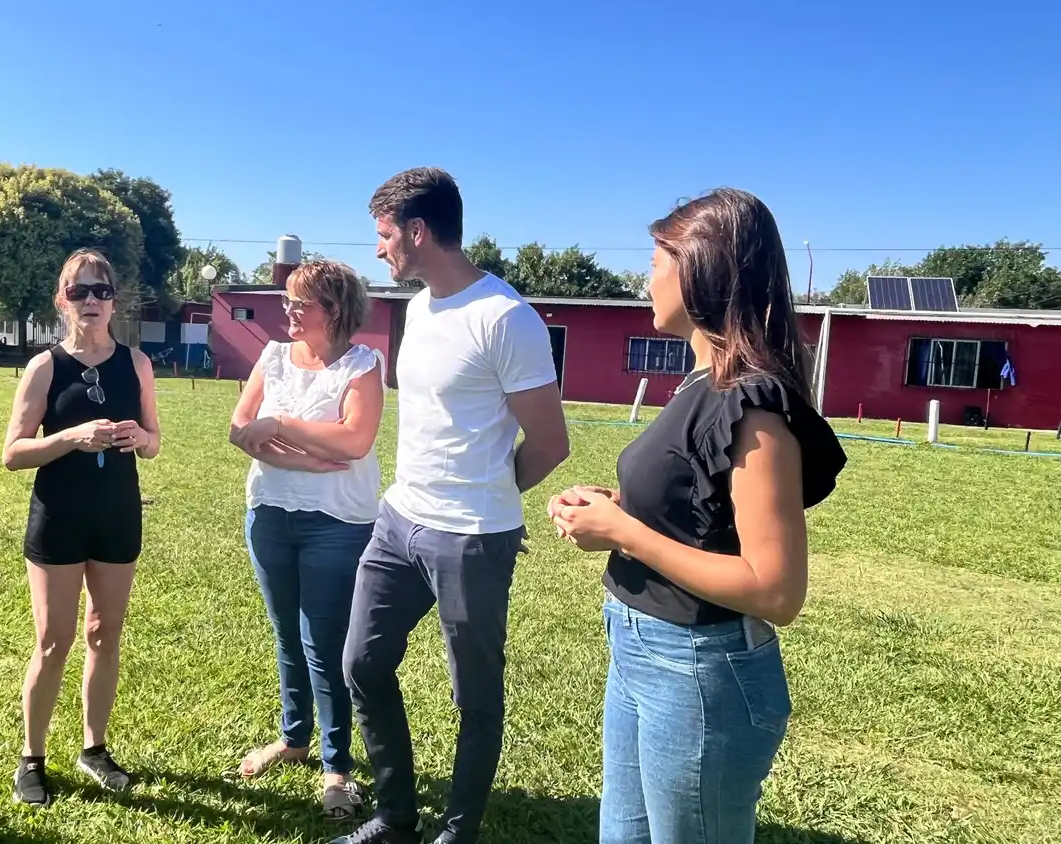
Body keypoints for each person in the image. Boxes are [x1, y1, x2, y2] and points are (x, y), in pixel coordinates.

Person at [548, 188, 847, 844]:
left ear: (700, 269)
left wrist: (623, 532)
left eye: (656, 260)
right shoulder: (697, 384)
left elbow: (776, 590)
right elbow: (702, 511)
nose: (644, 278)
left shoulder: (754, 405)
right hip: (643, 653)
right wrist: (619, 507)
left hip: (699, 672)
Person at [336, 168, 572, 844]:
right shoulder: (417, 308)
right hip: (398, 521)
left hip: (471, 536)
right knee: (363, 663)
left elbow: (550, 442)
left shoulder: (505, 318)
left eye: (384, 236)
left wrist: (489, 498)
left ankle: (457, 833)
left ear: (417, 231)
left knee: (474, 698)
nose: (379, 250)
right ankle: (395, 817)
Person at [227, 260, 386, 824]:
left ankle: (337, 767)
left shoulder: (365, 365)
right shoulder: (272, 357)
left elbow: (356, 440)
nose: (288, 312)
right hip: (269, 514)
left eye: (301, 303)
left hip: (337, 523)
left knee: (325, 643)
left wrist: (280, 427)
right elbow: (238, 428)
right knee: (286, 636)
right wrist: (286, 451)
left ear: (335, 310)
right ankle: (294, 739)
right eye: (287, 301)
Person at [1, 248, 161, 806]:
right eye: (79, 291)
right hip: (59, 519)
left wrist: (140, 440)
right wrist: (71, 437)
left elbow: (155, 442)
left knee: (104, 634)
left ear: (114, 299)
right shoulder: (45, 367)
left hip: (117, 516)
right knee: (53, 641)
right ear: (61, 300)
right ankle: (32, 758)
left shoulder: (137, 364)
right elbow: (13, 453)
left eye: (101, 290)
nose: (91, 301)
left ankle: (94, 748)